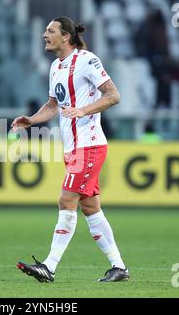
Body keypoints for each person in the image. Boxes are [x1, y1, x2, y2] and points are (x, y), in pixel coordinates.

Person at [12, 16, 128, 283]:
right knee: (90, 207)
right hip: (73, 147)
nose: (44, 35)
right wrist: (31, 120)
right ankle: (118, 267)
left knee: (66, 200)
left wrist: (83, 110)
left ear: (65, 36)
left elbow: (113, 95)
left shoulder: (87, 60)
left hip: (89, 144)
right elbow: (53, 105)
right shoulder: (55, 66)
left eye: (50, 31)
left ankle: (49, 266)